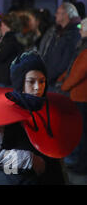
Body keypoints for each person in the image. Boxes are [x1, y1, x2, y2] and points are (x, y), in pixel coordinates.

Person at [0, 51, 65, 185]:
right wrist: (30, 160)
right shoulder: (3, 111)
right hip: (13, 179)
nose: (38, 87)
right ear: (20, 83)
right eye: (31, 82)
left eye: (42, 81)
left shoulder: (46, 108)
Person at [58, 17, 87, 174]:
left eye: (82, 27)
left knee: (81, 133)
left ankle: (81, 165)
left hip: (81, 97)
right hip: (79, 96)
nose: (80, 29)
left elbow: (79, 72)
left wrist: (64, 86)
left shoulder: (85, 48)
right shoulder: (82, 46)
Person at [39, 2, 81, 90]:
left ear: (65, 15)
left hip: (57, 81)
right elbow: (48, 53)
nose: (55, 15)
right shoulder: (57, 31)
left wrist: (50, 76)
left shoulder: (74, 34)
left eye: (58, 12)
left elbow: (66, 61)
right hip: (49, 78)